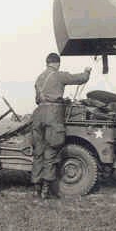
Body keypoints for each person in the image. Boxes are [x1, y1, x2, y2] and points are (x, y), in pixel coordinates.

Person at [32, 52, 91, 199]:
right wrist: (87, 72)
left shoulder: (39, 78)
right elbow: (79, 79)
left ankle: (36, 188)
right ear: (57, 63)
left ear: (47, 63)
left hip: (39, 113)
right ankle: (46, 189)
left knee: (38, 152)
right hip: (53, 113)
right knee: (51, 152)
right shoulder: (58, 75)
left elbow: (37, 99)